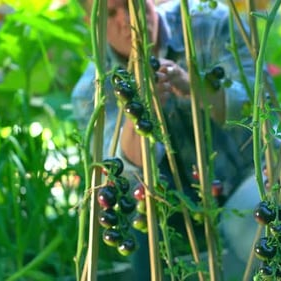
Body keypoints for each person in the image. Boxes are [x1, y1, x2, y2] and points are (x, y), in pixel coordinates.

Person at [72, 0, 269, 279]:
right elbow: (124, 177)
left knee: (258, 227)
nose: (128, 19)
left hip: (246, 177)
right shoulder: (91, 91)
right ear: (90, 22)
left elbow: (261, 107)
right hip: (166, 201)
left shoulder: (210, 22)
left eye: (132, 4)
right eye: (110, 13)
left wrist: (194, 87)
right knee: (144, 229)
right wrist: (139, 108)